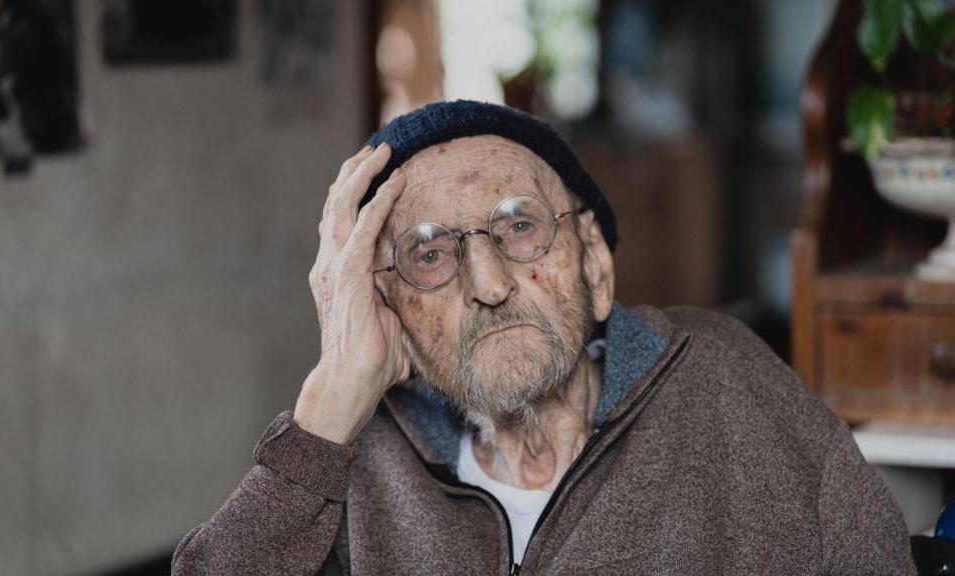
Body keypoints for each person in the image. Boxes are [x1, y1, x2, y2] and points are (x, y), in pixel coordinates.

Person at [171, 100, 916, 575]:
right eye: (431, 254)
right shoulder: (357, 460)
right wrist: (330, 405)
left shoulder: (723, 381)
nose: (488, 282)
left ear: (593, 263)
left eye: (519, 227)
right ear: (385, 303)